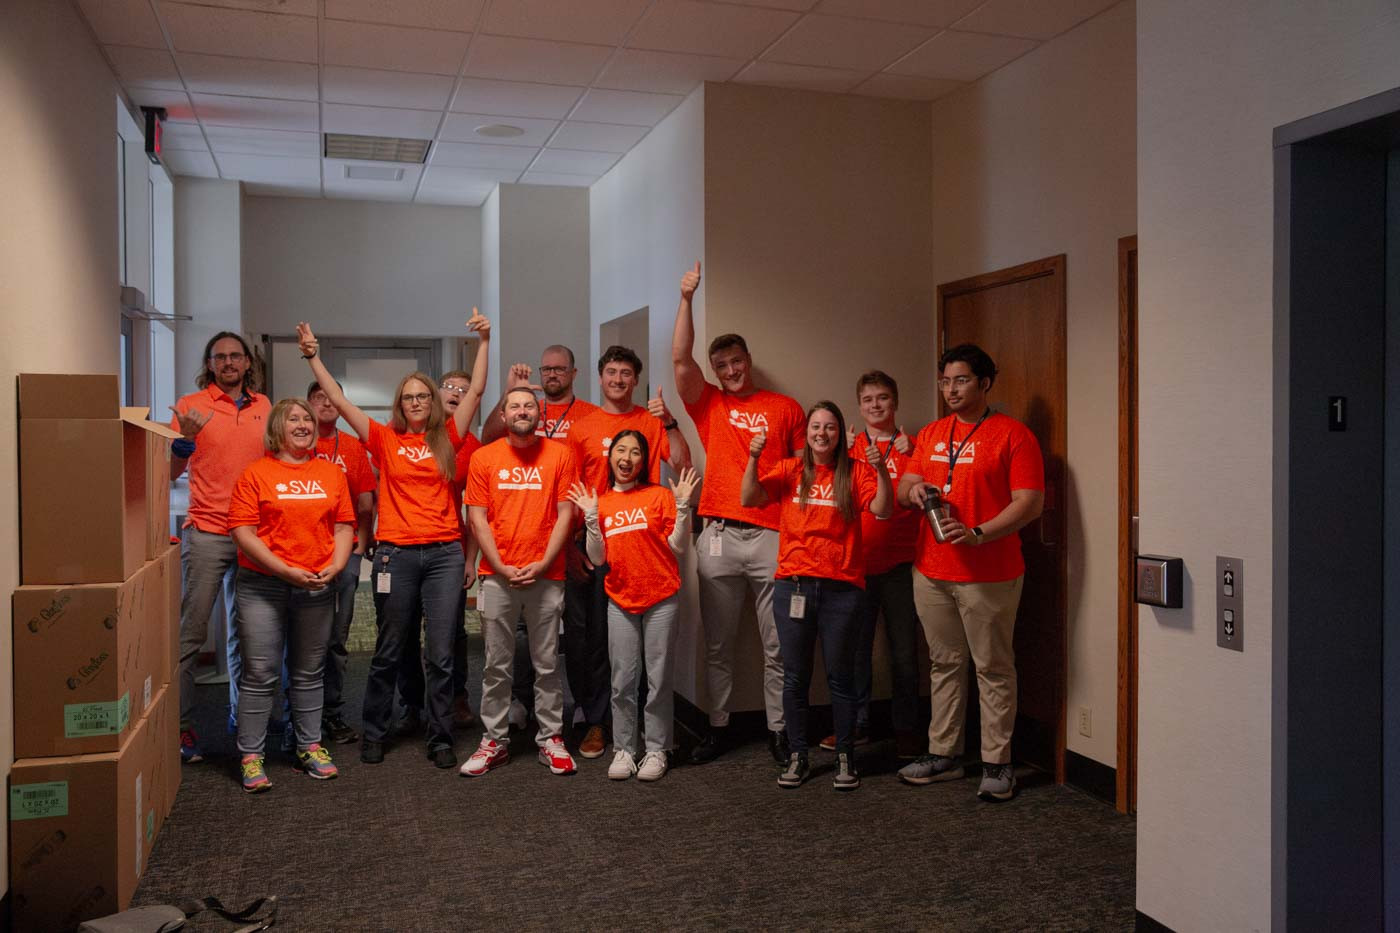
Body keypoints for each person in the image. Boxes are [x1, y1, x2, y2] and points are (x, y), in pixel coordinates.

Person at [296, 312, 491, 770]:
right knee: (388, 649)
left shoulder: (451, 438)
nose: (418, 402)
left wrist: (485, 340)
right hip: (395, 556)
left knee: (441, 652)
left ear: (434, 402)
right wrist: (314, 358)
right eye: (410, 397)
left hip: (444, 556)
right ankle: (377, 730)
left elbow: (478, 391)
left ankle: (440, 736)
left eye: (424, 395)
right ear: (399, 405)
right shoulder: (383, 440)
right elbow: (341, 406)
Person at [895, 344, 1044, 802]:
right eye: (945, 381)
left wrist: (979, 532)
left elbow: (1029, 503)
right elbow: (903, 486)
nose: (952, 390)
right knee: (944, 665)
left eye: (961, 380)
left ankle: (998, 763)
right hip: (932, 571)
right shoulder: (934, 432)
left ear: (984, 383)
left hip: (989, 573)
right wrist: (915, 491)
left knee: (993, 668)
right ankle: (944, 754)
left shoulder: (1013, 436)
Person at [672, 261, 806, 765]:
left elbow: (801, 471)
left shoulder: (785, 407)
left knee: (777, 646)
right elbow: (681, 358)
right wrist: (686, 299)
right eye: (721, 365)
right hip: (719, 535)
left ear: (748, 359)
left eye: (736, 362)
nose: (730, 371)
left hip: (772, 533)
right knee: (719, 644)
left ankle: (778, 730)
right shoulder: (709, 405)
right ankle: (720, 728)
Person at [742, 402, 892, 791]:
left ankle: (845, 755)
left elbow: (883, 509)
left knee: (841, 677)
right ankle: (798, 756)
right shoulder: (792, 470)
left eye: (829, 427)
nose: (821, 433)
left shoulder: (855, 471)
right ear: (806, 433)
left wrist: (879, 468)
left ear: (840, 433)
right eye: (815, 427)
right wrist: (754, 457)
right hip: (794, 586)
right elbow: (749, 498)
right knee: (795, 677)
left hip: (843, 589)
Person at [563, 345, 692, 759]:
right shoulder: (582, 426)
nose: (618, 379)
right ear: (599, 378)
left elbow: (684, 460)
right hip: (595, 538)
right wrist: (570, 545)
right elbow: (568, 489)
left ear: (635, 380)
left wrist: (669, 420)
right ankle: (599, 724)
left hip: (643, 540)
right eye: (611, 372)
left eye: (626, 374)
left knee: (645, 648)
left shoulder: (649, 422)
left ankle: (648, 736)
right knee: (595, 641)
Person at [226, 398, 356, 792]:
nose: (302, 424)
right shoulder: (256, 473)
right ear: (276, 428)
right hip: (263, 585)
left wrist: (336, 566)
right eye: (293, 419)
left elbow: (345, 525)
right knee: (261, 673)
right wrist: (284, 570)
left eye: (307, 419)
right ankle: (251, 754)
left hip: (317, 582)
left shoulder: (331, 474)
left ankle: (309, 747)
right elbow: (242, 531)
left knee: (308, 671)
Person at [461, 387, 580, 777]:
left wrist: (544, 563)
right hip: (497, 578)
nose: (522, 411)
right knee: (497, 665)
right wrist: (498, 565)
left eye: (529, 405)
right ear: (504, 415)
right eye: (515, 406)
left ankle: (551, 740)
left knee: (546, 664)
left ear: (538, 414)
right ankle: (494, 741)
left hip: (548, 576)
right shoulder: (483, 458)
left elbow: (565, 514)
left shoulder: (560, 455)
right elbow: (477, 519)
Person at [481, 346, 599, 731]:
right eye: (545, 369)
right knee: (510, 645)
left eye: (559, 369)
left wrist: (569, 548)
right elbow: (488, 438)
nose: (552, 374)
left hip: (571, 543)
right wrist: (511, 389)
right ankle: (517, 706)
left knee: (569, 638)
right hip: (510, 553)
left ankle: (575, 715)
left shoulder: (587, 419)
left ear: (573, 372)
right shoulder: (518, 412)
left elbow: (576, 494)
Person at [570, 433, 698, 782]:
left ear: (643, 461)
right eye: (620, 451)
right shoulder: (605, 502)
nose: (627, 458)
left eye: (635, 452)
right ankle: (624, 749)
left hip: (660, 598)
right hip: (621, 600)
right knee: (622, 681)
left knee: (657, 680)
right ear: (611, 458)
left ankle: (657, 749)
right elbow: (598, 559)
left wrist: (683, 506)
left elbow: (678, 548)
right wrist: (592, 518)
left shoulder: (658, 496)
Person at [170, 332, 272, 764]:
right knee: (190, 635)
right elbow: (168, 469)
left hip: (254, 534)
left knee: (245, 635)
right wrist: (185, 440)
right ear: (210, 364)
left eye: (235, 356)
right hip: (209, 533)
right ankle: (179, 728)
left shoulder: (264, 406)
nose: (229, 362)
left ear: (248, 363)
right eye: (220, 357)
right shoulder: (189, 406)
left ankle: (239, 715)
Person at [817, 371, 923, 759]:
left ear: (894, 403)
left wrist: (913, 452)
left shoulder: (914, 446)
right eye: (868, 400)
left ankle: (907, 729)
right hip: (856, 566)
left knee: (903, 653)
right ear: (858, 407)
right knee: (854, 651)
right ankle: (855, 725)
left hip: (900, 564)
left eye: (882, 398)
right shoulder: (848, 448)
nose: (875, 405)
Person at [393, 370, 485, 738]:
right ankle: (411, 704)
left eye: (464, 390)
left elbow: (477, 507)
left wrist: (469, 559)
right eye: (450, 387)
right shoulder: (400, 435)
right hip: (403, 548)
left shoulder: (469, 444)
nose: (457, 394)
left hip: (448, 550)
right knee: (404, 630)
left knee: (450, 634)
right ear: (434, 393)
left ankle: (454, 698)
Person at [307, 380, 376, 746]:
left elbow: (366, 504)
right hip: (301, 559)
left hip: (344, 556)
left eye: (332, 397)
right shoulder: (294, 444)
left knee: (336, 639)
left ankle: (331, 713)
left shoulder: (351, 447)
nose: (326, 404)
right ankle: (299, 716)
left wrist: (358, 552)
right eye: (317, 397)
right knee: (302, 641)